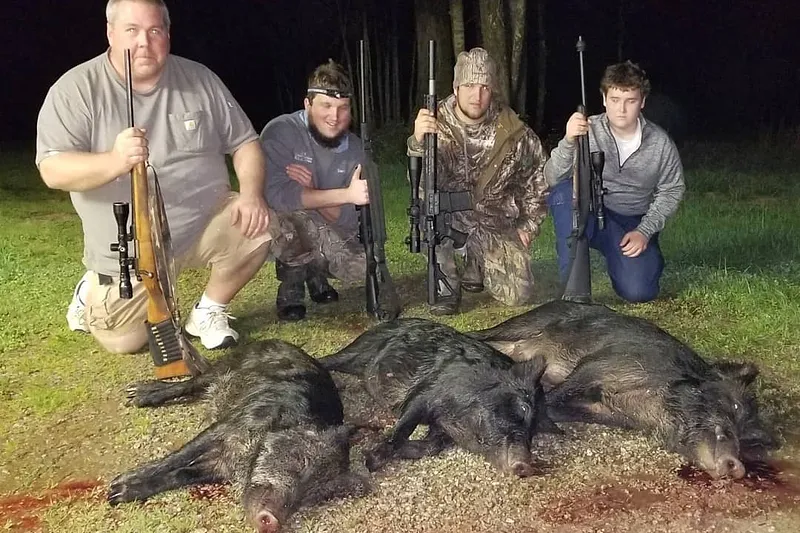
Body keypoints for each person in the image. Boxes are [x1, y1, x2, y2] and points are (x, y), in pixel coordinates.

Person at [36, 0, 274, 352]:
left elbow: (246, 143)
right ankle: (92, 288)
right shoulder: (75, 89)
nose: (144, 42)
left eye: (154, 31)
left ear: (167, 34)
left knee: (259, 227)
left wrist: (252, 195)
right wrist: (115, 161)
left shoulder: (200, 79)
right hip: (130, 246)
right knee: (125, 343)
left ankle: (209, 310)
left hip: (201, 224)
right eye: (131, 30)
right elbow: (53, 170)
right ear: (110, 33)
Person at [408, 47, 549, 315]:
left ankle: (477, 261)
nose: (477, 95)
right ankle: (446, 279)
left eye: (484, 86)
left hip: (493, 221)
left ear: (492, 89)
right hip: (448, 220)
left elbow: (537, 177)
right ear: (456, 87)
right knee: (427, 206)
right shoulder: (434, 123)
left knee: (518, 293)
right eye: (469, 85)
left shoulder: (511, 129)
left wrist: (528, 225)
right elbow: (419, 185)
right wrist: (417, 143)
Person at [544, 60, 685, 303]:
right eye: (615, 99)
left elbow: (672, 190)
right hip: (588, 214)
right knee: (562, 193)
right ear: (604, 99)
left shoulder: (660, 143)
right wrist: (568, 141)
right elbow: (552, 176)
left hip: (631, 223)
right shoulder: (587, 130)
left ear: (642, 102)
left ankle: (639, 261)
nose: (621, 109)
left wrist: (644, 231)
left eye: (630, 101)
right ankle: (572, 289)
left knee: (639, 291)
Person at [259, 60, 370, 321]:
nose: (334, 117)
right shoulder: (280, 132)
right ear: (307, 104)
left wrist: (311, 189)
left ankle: (316, 275)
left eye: (343, 108)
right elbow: (277, 197)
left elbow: (343, 219)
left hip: (327, 226)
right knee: (287, 219)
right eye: (326, 106)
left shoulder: (356, 149)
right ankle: (291, 289)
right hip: (283, 220)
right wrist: (345, 195)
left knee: (362, 268)